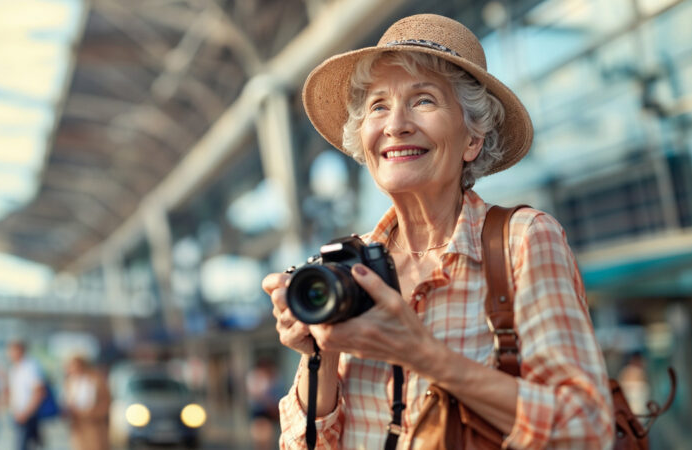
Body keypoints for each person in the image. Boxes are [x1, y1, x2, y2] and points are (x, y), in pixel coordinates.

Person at [263, 14, 614, 449]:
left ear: (472, 139)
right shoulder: (348, 271)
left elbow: (586, 430)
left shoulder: (523, 239)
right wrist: (322, 350)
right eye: (378, 106)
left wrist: (420, 352)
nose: (396, 124)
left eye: (424, 100)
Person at [63, 353, 110, 450]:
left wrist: (94, 413)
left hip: (94, 422)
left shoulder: (95, 379)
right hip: (77, 423)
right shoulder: (70, 382)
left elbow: (106, 401)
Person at [6, 339, 45, 450]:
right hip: (17, 414)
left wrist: (26, 413)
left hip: (27, 415)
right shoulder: (15, 368)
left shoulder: (30, 367)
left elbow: (39, 392)